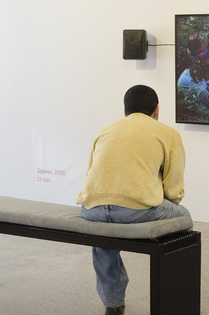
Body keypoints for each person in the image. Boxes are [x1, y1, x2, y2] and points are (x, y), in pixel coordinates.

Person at [77, 85, 190, 315]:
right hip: (135, 210)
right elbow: (173, 191)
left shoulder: (105, 130)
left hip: (91, 208)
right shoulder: (168, 134)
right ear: (156, 110)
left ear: (125, 111)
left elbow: (91, 173)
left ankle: (113, 304)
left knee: (104, 232)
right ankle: (178, 296)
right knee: (184, 218)